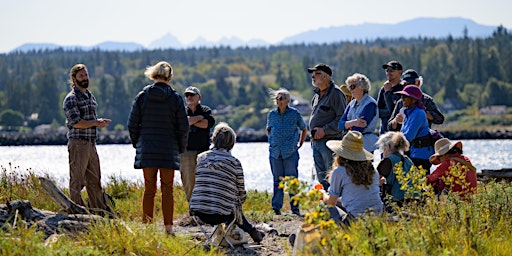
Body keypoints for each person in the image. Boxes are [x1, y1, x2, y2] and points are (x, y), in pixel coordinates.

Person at [127, 61, 189, 234]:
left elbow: (132, 124)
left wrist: (138, 144)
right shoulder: (175, 98)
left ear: (153, 75)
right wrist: (179, 147)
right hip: (169, 150)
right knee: (167, 189)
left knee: (149, 189)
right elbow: (183, 127)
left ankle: (147, 227)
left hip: (147, 149)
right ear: (169, 77)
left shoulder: (142, 96)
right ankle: (168, 228)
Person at [189, 122, 265, 243]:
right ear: (231, 143)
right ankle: (252, 231)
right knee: (234, 204)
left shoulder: (201, 158)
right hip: (221, 214)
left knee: (223, 198)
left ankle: (252, 231)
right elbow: (241, 193)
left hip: (198, 211)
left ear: (214, 140)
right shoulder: (234, 162)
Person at [62, 64, 112, 214]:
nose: (85, 78)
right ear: (74, 78)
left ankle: (99, 214)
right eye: (81, 76)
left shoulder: (90, 95)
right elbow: (76, 123)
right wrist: (96, 123)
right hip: (78, 144)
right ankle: (77, 213)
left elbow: (89, 120)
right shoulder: (71, 99)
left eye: (86, 75)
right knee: (76, 181)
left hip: (91, 143)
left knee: (95, 181)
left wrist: (98, 122)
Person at [324, 131, 383, 225]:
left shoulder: (339, 171)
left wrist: (323, 195)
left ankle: (322, 236)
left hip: (355, 220)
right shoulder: (373, 171)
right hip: (377, 217)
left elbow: (331, 202)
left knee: (323, 206)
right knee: (340, 204)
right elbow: (358, 198)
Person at [266, 88, 308, 216]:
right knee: (277, 181)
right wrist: (273, 142)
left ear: (288, 101)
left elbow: (304, 129)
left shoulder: (294, 114)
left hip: (290, 152)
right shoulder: (271, 114)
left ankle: (295, 209)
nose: (279, 101)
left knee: (292, 181)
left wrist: (300, 144)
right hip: (275, 152)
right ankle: (276, 208)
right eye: (277, 98)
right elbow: (268, 130)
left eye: (282, 98)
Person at [307, 63, 347, 190]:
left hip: (330, 143)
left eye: (317, 73)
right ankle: (328, 206)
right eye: (312, 74)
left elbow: (341, 119)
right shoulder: (317, 95)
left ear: (325, 77)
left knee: (333, 177)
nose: (313, 76)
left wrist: (324, 130)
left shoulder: (336, 94)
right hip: (316, 143)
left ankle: (337, 205)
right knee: (321, 177)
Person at [180, 86, 215, 202]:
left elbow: (206, 124)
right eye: (187, 95)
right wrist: (198, 118)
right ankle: (192, 208)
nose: (189, 97)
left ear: (199, 97)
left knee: (205, 180)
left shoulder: (206, 110)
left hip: (203, 151)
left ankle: (205, 206)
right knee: (189, 182)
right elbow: (184, 123)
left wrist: (190, 121)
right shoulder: (181, 110)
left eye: (192, 95)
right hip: (186, 152)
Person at [393, 85, 435, 171]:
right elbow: (402, 134)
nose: (402, 99)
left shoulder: (418, 113)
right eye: (402, 96)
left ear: (414, 99)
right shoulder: (408, 113)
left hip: (420, 157)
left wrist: (392, 144)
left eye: (405, 96)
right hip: (413, 155)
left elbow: (408, 136)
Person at [338, 73, 379, 153]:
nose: (350, 90)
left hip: (366, 144)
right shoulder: (351, 104)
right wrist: (354, 122)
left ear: (362, 87)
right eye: (349, 87)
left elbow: (359, 128)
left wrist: (347, 125)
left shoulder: (370, 104)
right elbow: (340, 125)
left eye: (352, 87)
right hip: (350, 143)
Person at [376, 131, 414, 208]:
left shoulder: (387, 161)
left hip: (396, 203)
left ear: (388, 147)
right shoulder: (407, 160)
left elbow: (375, 181)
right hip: (412, 200)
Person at [376, 61, 404, 135]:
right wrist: (389, 113)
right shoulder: (383, 89)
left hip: (398, 132)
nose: (388, 72)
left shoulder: (403, 89)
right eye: (387, 70)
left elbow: (396, 112)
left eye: (392, 70)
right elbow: (377, 111)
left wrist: (388, 92)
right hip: (384, 131)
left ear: (400, 72)